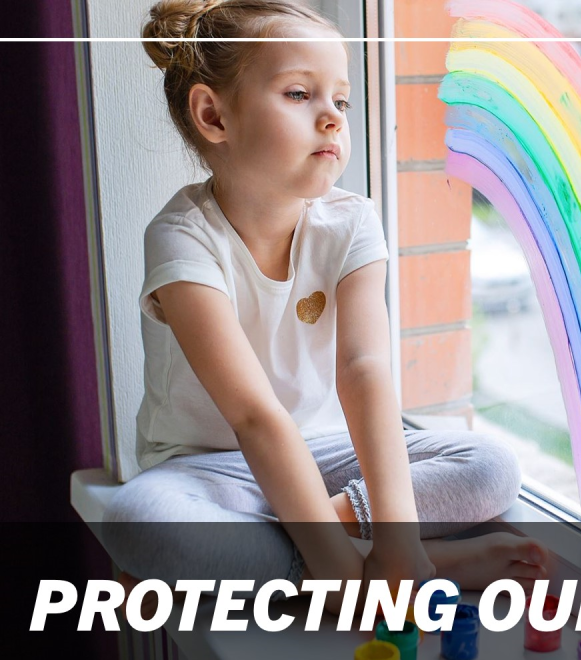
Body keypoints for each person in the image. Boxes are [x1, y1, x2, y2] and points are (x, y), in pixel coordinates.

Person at [102, 0, 548, 614]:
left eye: (340, 100)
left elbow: (363, 370)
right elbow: (255, 416)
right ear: (213, 115)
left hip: (324, 452)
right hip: (213, 472)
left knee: (489, 465)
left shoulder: (352, 222)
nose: (333, 119)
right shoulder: (181, 237)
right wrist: (340, 571)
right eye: (298, 94)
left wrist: (397, 538)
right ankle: (355, 575)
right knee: (140, 522)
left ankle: (356, 564)